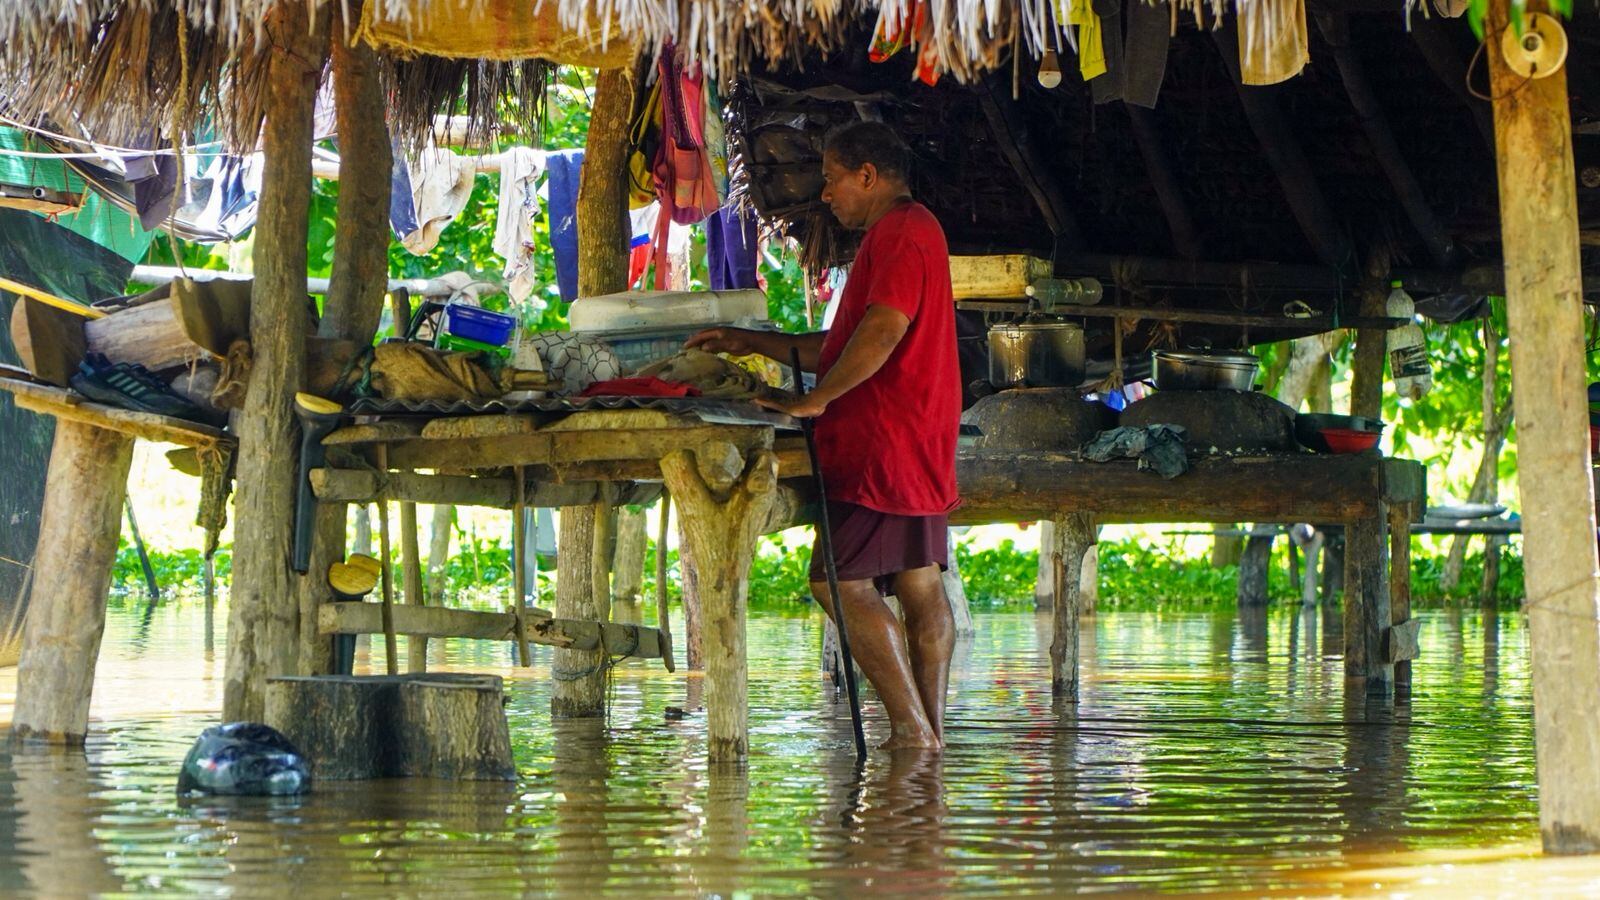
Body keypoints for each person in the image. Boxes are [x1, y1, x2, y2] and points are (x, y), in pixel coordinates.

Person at [686, 120, 961, 751]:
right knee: (920, 581)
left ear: (867, 175)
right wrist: (745, 339)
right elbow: (836, 346)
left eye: (834, 180)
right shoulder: (915, 231)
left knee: (836, 581)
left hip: (882, 440)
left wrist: (817, 399)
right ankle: (930, 740)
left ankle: (913, 733)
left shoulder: (898, 233)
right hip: (917, 433)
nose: (827, 194)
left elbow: (882, 331)